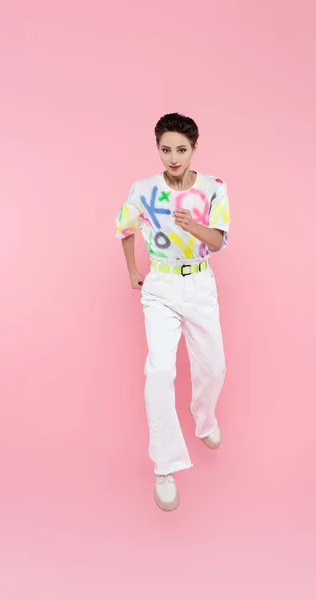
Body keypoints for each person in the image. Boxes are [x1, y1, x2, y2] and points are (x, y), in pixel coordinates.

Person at [115, 113, 230, 511]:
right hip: (161, 285)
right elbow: (126, 228)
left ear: (194, 148)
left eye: (181, 149)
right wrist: (134, 269)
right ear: (158, 149)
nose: (173, 157)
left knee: (214, 367)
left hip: (199, 284)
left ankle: (202, 414)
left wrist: (195, 226)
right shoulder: (143, 189)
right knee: (159, 371)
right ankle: (165, 465)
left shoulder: (214, 188)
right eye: (166, 149)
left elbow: (217, 241)